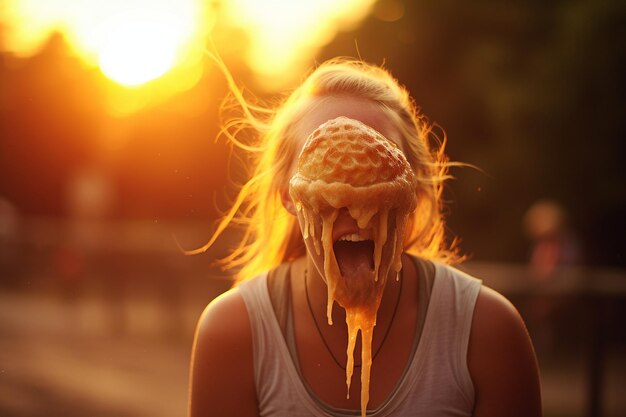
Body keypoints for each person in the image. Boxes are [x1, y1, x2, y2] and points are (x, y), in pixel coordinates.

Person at [188, 58, 542, 417]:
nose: (354, 201)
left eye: (379, 170)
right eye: (325, 165)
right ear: (287, 195)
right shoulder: (234, 334)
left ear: (413, 191)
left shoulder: (488, 333)